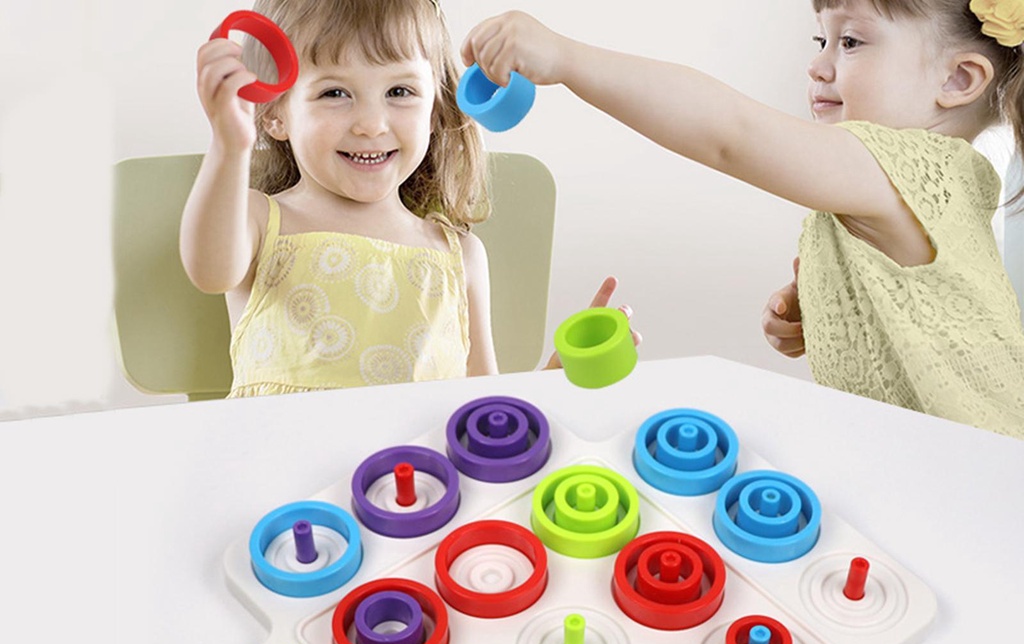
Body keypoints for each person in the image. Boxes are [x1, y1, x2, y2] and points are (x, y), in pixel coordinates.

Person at [461, 1, 1024, 438]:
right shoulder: (916, 186)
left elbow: (730, 134)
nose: (817, 65)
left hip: (982, 473)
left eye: (850, 41)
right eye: (822, 40)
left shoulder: (915, 165)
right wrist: (827, 309)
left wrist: (565, 57)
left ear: (958, 80)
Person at [181, 0, 634, 396]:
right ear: (275, 114)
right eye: (335, 92)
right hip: (284, 466)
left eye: (399, 91)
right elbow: (209, 271)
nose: (371, 124)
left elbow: (482, 408)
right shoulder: (259, 220)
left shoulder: (459, 256)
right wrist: (229, 146)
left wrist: (558, 380)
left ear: (435, 109)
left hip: (416, 469)